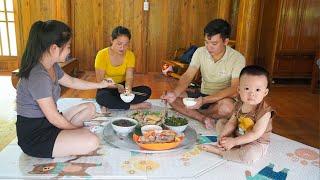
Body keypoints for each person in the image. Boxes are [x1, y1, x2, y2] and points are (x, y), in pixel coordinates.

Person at [16, 20, 115, 158]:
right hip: (36, 136)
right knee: (92, 141)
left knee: (90, 108)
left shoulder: (52, 65)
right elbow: (54, 118)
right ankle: (70, 138)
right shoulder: (38, 75)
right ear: (54, 48)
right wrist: (77, 130)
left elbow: (72, 81)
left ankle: (69, 137)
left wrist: (100, 84)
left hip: (49, 123)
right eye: (68, 46)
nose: (69, 50)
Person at [161, 19, 245, 129]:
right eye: (206, 42)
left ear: (225, 41)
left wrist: (204, 101)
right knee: (170, 96)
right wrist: (175, 93)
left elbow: (234, 90)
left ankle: (195, 112)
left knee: (227, 108)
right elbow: (188, 75)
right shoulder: (200, 52)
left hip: (221, 99)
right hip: (202, 94)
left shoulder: (237, 58)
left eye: (214, 43)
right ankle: (203, 118)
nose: (209, 47)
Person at [201, 65, 275, 164]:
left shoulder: (265, 112)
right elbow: (232, 122)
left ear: (265, 92)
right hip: (238, 134)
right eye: (247, 89)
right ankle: (228, 144)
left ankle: (220, 152)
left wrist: (234, 142)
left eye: (257, 90)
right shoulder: (239, 103)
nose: (252, 94)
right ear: (239, 90)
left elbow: (255, 134)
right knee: (221, 122)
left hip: (255, 142)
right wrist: (223, 136)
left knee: (249, 155)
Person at [95, 26, 152, 111]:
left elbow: (129, 77)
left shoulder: (130, 55)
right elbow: (100, 80)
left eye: (126, 44)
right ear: (111, 40)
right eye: (119, 44)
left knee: (146, 91)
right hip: (107, 87)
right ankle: (132, 106)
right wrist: (117, 86)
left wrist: (128, 88)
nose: (122, 47)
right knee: (102, 97)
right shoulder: (102, 55)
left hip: (123, 87)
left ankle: (113, 104)